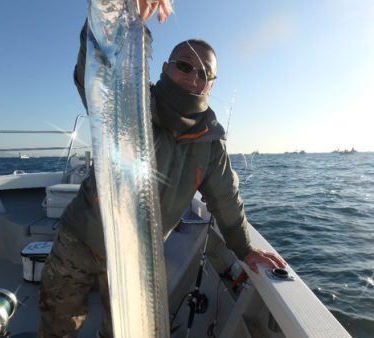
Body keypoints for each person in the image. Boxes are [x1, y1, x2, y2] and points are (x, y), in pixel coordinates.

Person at [39, 4, 286, 338]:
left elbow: (226, 199)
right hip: (80, 240)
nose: (193, 76)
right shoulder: (129, 97)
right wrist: (122, 17)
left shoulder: (210, 144)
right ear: (166, 68)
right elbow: (97, 67)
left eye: (204, 73)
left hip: (139, 260)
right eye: (185, 66)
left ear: (211, 85)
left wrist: (243, 248)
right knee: (57, 326)